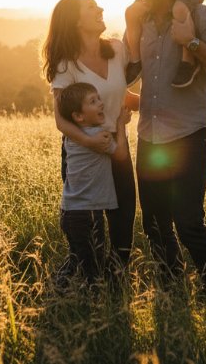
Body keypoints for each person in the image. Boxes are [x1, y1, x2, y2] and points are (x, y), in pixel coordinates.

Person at [123, 0, 206, 294]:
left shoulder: (200, 16)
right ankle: (172, 293)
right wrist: (130, 27)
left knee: (188, 222)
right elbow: (128, 74)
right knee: (156, 224)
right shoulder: (139, 20)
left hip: (190, 134)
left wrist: (191, 42)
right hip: (150, 137)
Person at [42, 0, 138, 276]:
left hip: (117, 146)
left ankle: (116, 287)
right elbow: (61, 118)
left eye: (98, 4)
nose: (100, 9)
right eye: (91, 6)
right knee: (89, 232)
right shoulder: (66, 65)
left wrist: (161, 105)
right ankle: (80, 288)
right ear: (75, 21)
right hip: (84, 153)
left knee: (123, 225)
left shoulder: (117, 50)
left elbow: (121, 95)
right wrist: (89, 140)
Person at [55, 82, 132, 285]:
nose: (101, 104)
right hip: (85, 213)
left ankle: (63, 291)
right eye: (93, 101)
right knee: (91, 268)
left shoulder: (74, 137)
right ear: (79, 116)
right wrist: (121, 125)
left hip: (74, 211)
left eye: (99, 98)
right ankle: (75, 296)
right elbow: (121, 154)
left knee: (79, 259)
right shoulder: (98, 137)